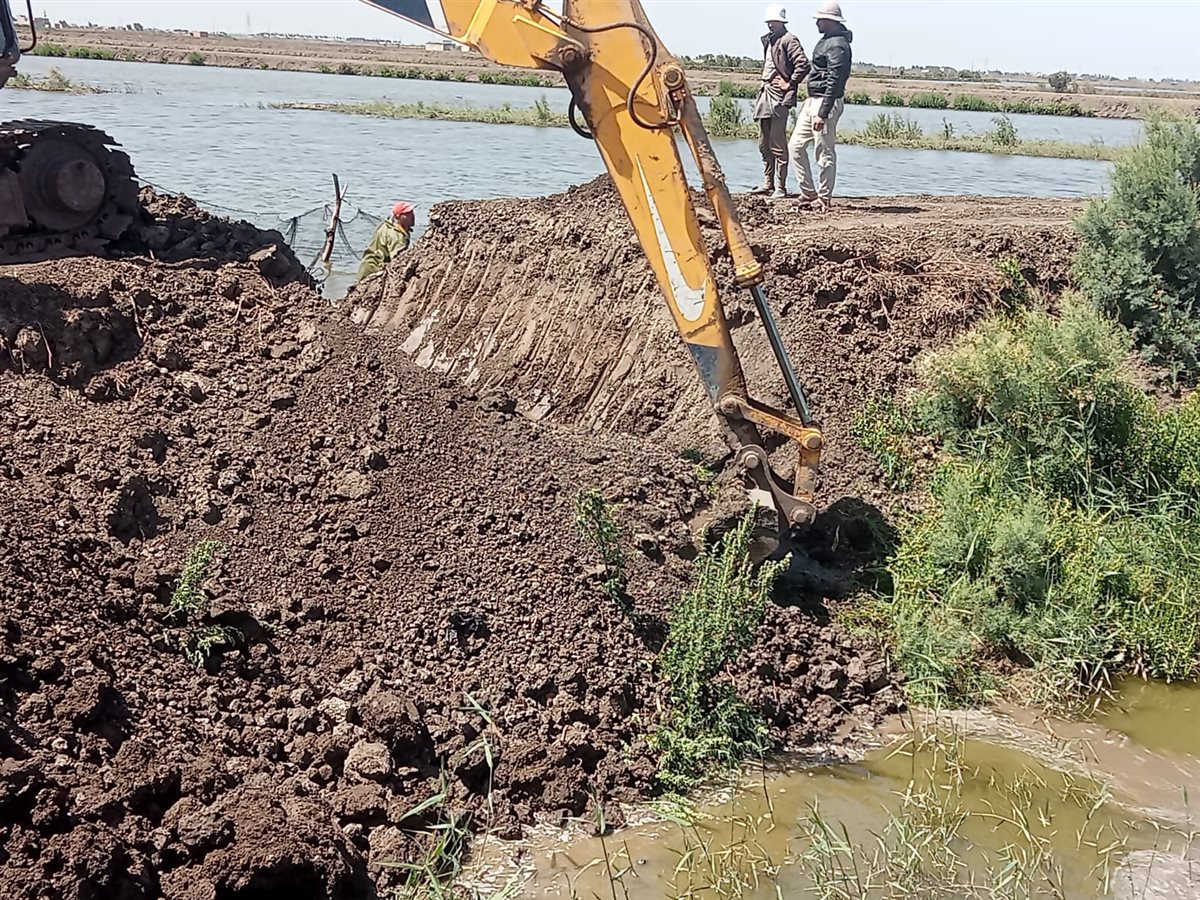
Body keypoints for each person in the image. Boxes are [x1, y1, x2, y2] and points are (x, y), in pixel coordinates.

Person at [788, 1, 853, 211]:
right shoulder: (828, 41)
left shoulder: (837, 45)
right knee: (795, 146)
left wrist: (823, 113)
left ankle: (823, 197)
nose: (817, 22)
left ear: (830, 21)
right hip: (814, 100)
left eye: (820, 19)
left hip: (825, 101)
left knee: (823, 152)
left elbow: (835, 79)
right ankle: (808, 192)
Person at [751, 4, 809, 199]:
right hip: (766, 91)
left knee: (777, 142)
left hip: (778, 95)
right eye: (768, 22)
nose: (770, 25)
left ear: (781, 22)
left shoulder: (789, 40)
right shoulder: (771, 40)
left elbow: (803, 64)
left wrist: (790, 82)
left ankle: (780, 187)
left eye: (773, 21)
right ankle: (768, 183)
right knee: (764, 142)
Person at [357, 201, 415, 280]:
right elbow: (398, 261)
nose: (412, 216)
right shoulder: (397, 236)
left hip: (366, 266)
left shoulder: (387, 224)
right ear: (398, 216)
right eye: (407, 214)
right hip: (374, 271)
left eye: (412, 212)